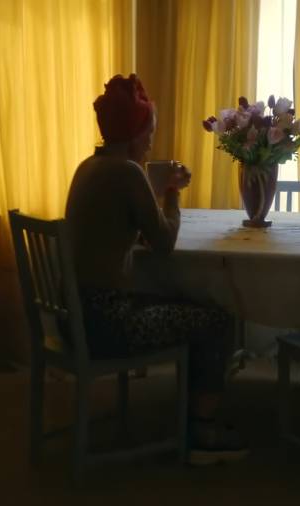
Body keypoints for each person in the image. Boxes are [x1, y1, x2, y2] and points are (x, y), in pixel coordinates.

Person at [64, 74, 247, 465]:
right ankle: (202, 432)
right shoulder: (128, 173)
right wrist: (172, 195)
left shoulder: (89, 167)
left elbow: (120, 232)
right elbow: (164, 245)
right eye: (149, 131)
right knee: (217, 320)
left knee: (186, 301)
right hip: (109, 324)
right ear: (135, 134)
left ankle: (190, 413)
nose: (151, 140)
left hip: (76, 315)